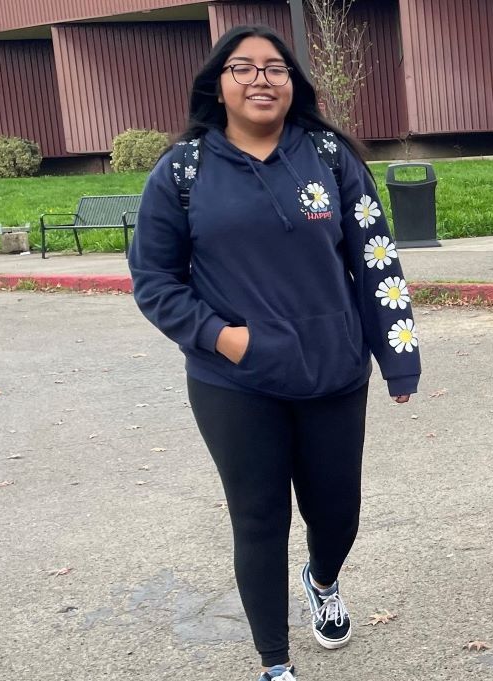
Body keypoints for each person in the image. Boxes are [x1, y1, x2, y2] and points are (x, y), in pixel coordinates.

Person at [127, 24, 420, 681]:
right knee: (259, 518)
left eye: (276, 68)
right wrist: (223, 338)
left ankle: (322, 578)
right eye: (244, 68)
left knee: (337, 511)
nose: (262, 79)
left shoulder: (330, 156)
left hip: (333, 370)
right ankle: (275, 664)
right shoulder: (183, 171)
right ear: (218, 85)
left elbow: (376, 258)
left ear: (294, 84)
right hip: (235, 381)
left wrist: (398, 354)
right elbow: (154, 280)